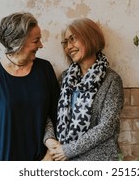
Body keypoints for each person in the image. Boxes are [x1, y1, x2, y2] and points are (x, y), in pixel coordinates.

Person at [0, 12, 59, 161]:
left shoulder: (45, 70)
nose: (41, 45)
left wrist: (50, 155)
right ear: (18, 42)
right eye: (36, 40)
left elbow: (57, 116)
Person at [45, 18, 124, 161]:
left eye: (73, 39)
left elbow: (107, 126)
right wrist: (49, 139)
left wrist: (68, 150)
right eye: (66, 42)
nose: (69, 47)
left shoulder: (111, 80)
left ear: (90, 37)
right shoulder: (65, 78)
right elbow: (51, 113)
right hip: (65, 159)